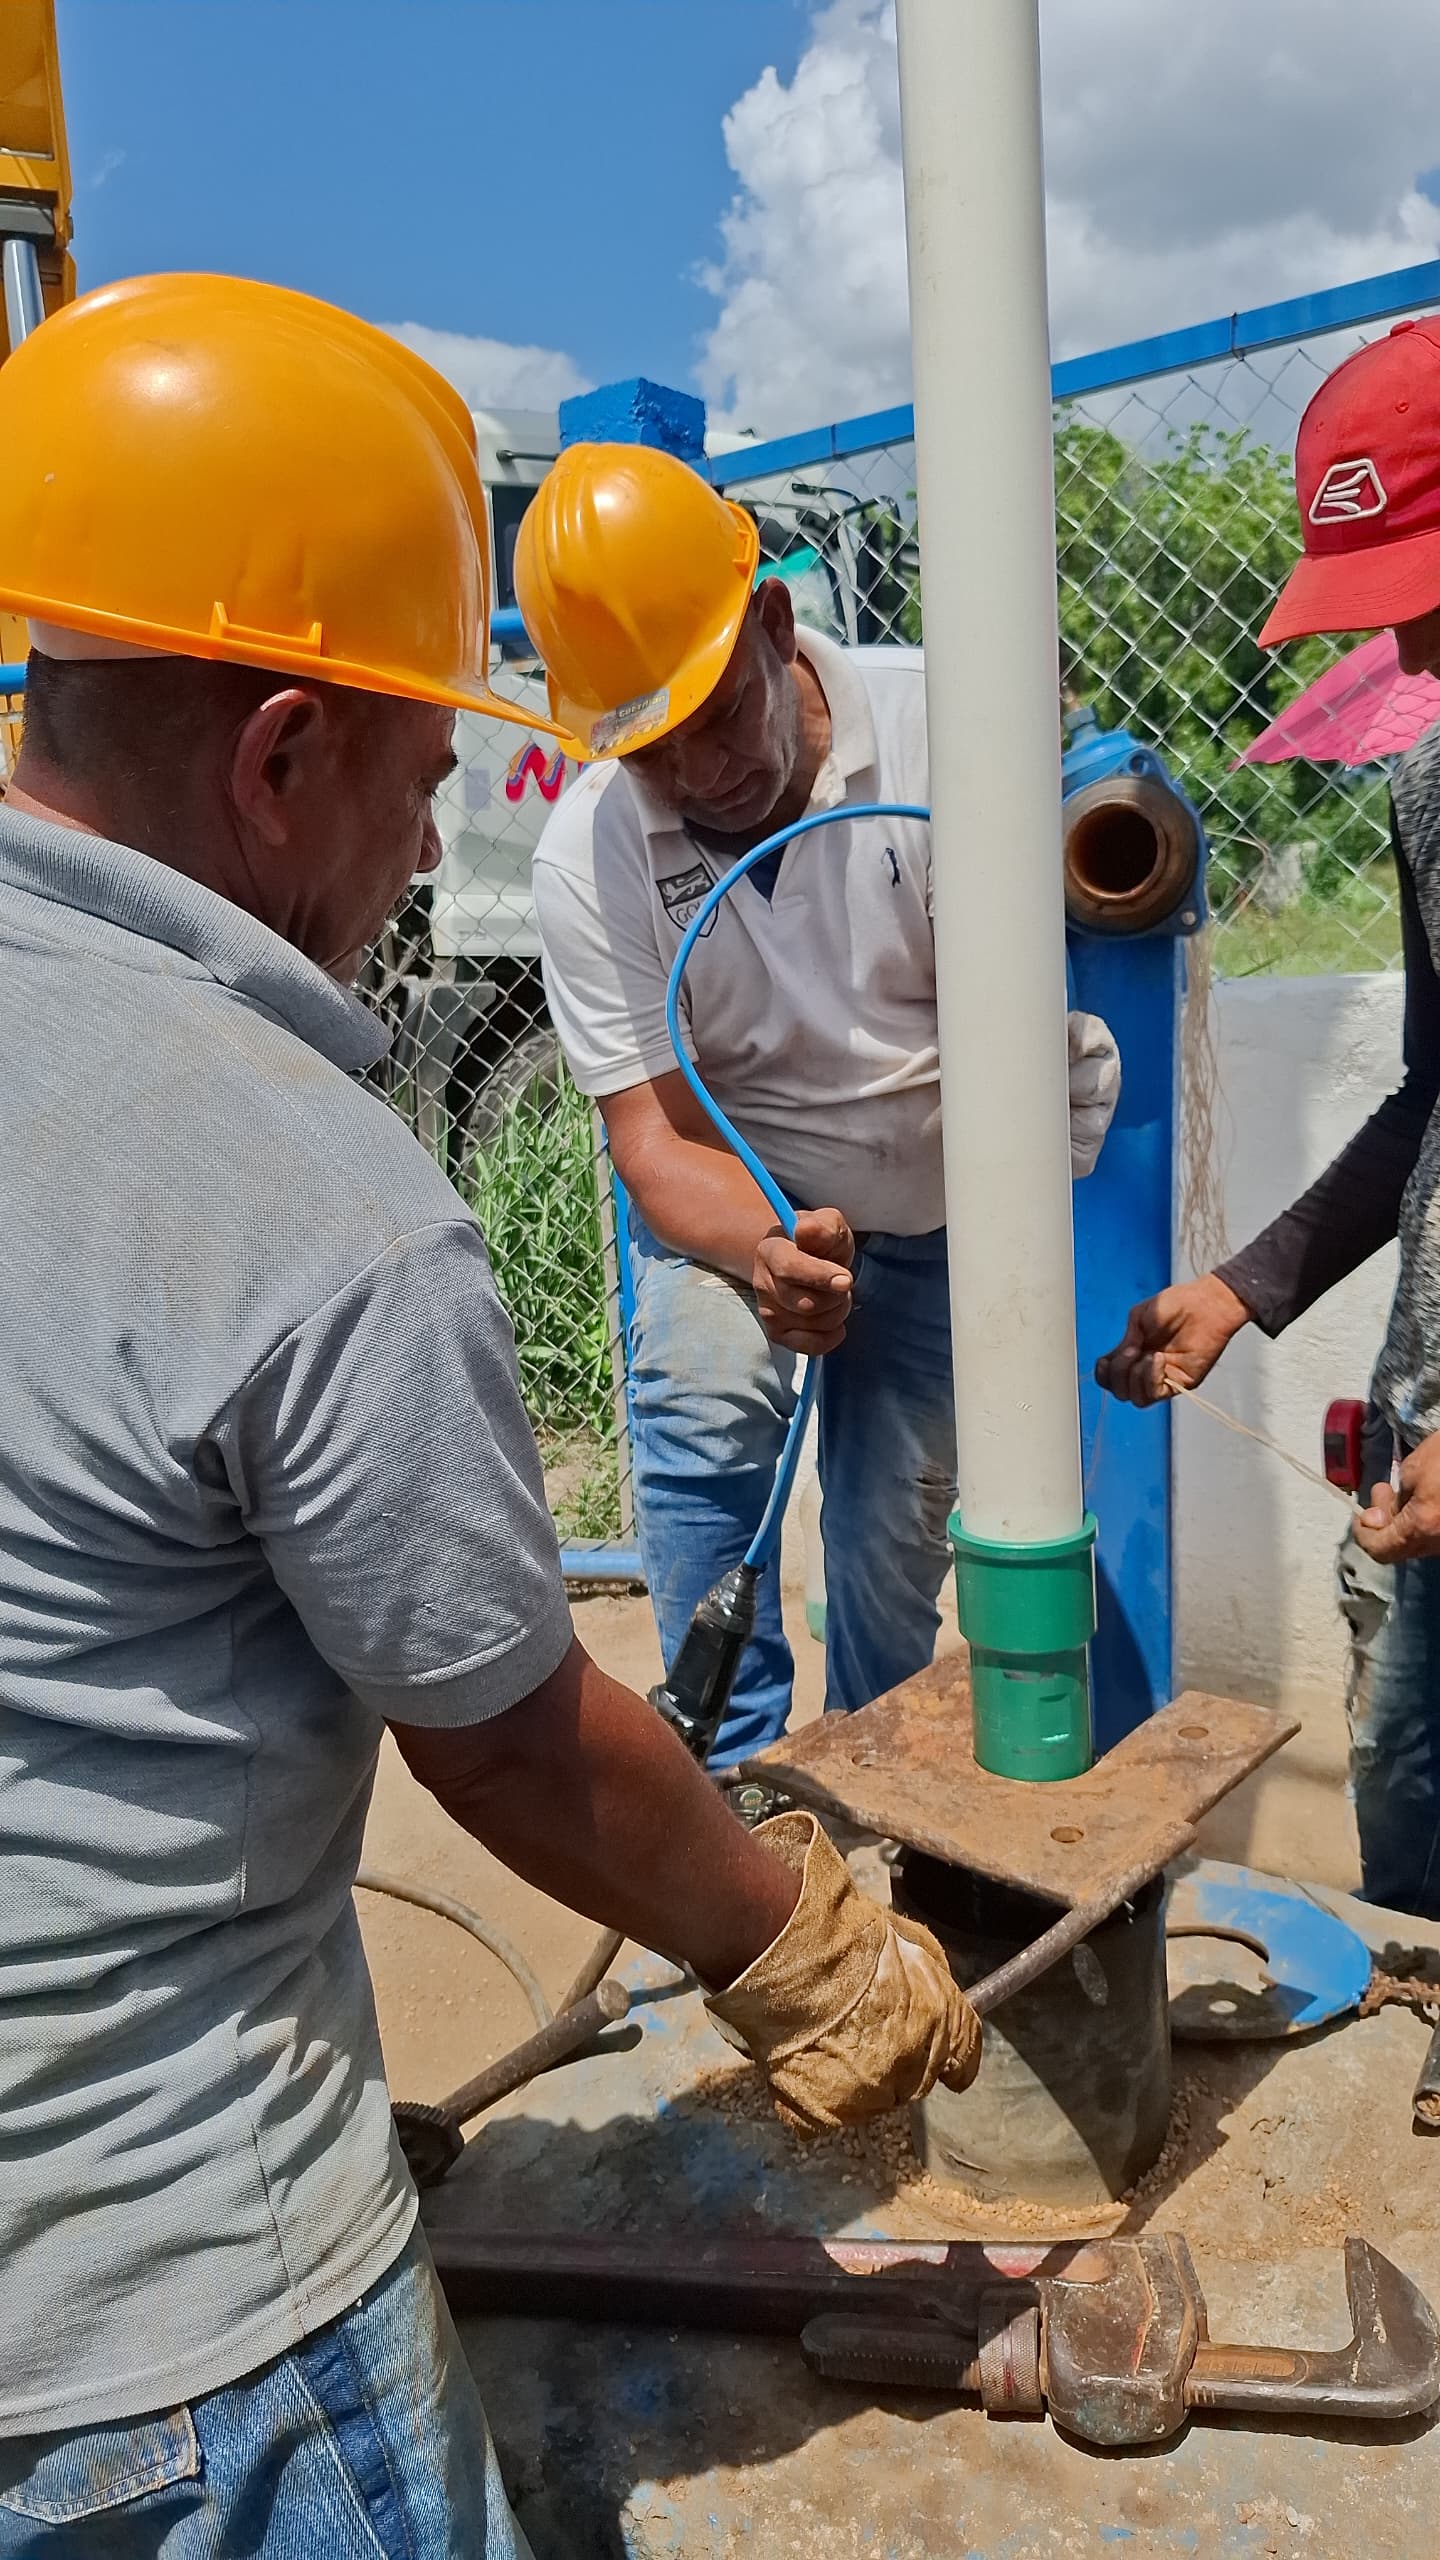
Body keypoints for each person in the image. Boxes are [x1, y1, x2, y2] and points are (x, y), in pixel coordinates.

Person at [0, 276, 981, 2558]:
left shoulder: (947, 737)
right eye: (424, 773)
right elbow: (513, 1739)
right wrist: (798, 1947)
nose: (433, 830)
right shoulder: (309, 1189)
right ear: (278, 760)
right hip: (162, 2311)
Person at [517, 442, 1121, 1768]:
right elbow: (651, 1141)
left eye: (720, 713)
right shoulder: (589, 852)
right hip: (745, 1200)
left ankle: (869, 1769)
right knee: (703, 1406)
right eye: (651, 749)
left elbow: (1009, 1016)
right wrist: (765, 1248)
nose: (701, 773)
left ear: (776, 622)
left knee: (889, 1539)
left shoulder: (946, 728)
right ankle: (730, 1786)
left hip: (945, 1205)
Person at [1098, 312, 1440, 1919]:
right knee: (1409, 1793)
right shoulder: (1428, 783)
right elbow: (1431, 1093)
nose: (1413, 653)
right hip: (1426, 1431)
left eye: (1430, 598)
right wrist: (1244, 1291)